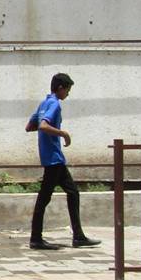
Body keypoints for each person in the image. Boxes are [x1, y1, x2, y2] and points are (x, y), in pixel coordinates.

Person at [29, 72, 101, 250]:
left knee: (70, 193)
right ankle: (39, 239)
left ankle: (76, 236)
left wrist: (44, 131)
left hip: (49, 158)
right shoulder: (54, 104)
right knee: (54, 196)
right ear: (60, 88)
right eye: (68, 89)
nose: (68, 93)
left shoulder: (43, 103)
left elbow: (31, 126)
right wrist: (63, 134)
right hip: (54, 159)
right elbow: (43, 126)